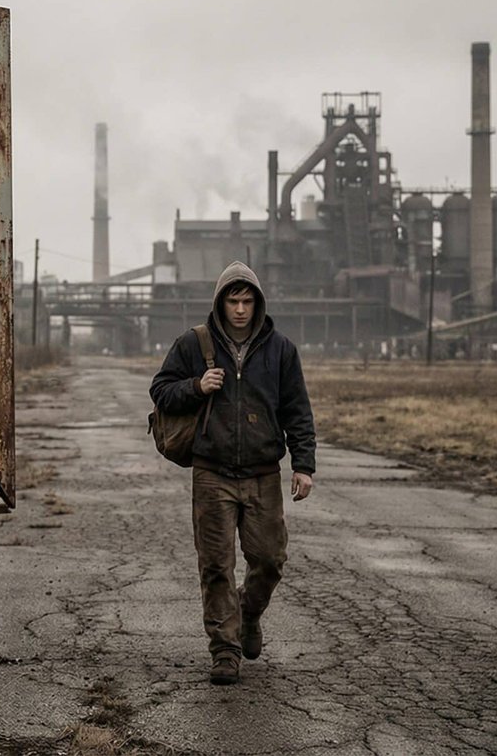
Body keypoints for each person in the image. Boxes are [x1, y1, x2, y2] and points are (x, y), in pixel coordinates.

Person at [149, 260, 316, 685]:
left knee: (270, 560)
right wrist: (196, 386)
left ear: (257, 304)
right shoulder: (194, 344)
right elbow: (160, 390)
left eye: (246, 301)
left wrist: (303, 465)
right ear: (220, 302)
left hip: (262, 473)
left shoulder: (281, 350)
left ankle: (248, 614)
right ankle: (224, 650)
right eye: (232, 300)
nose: (239, 309)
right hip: (212, 472)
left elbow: (297, 410)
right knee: (216, 565)